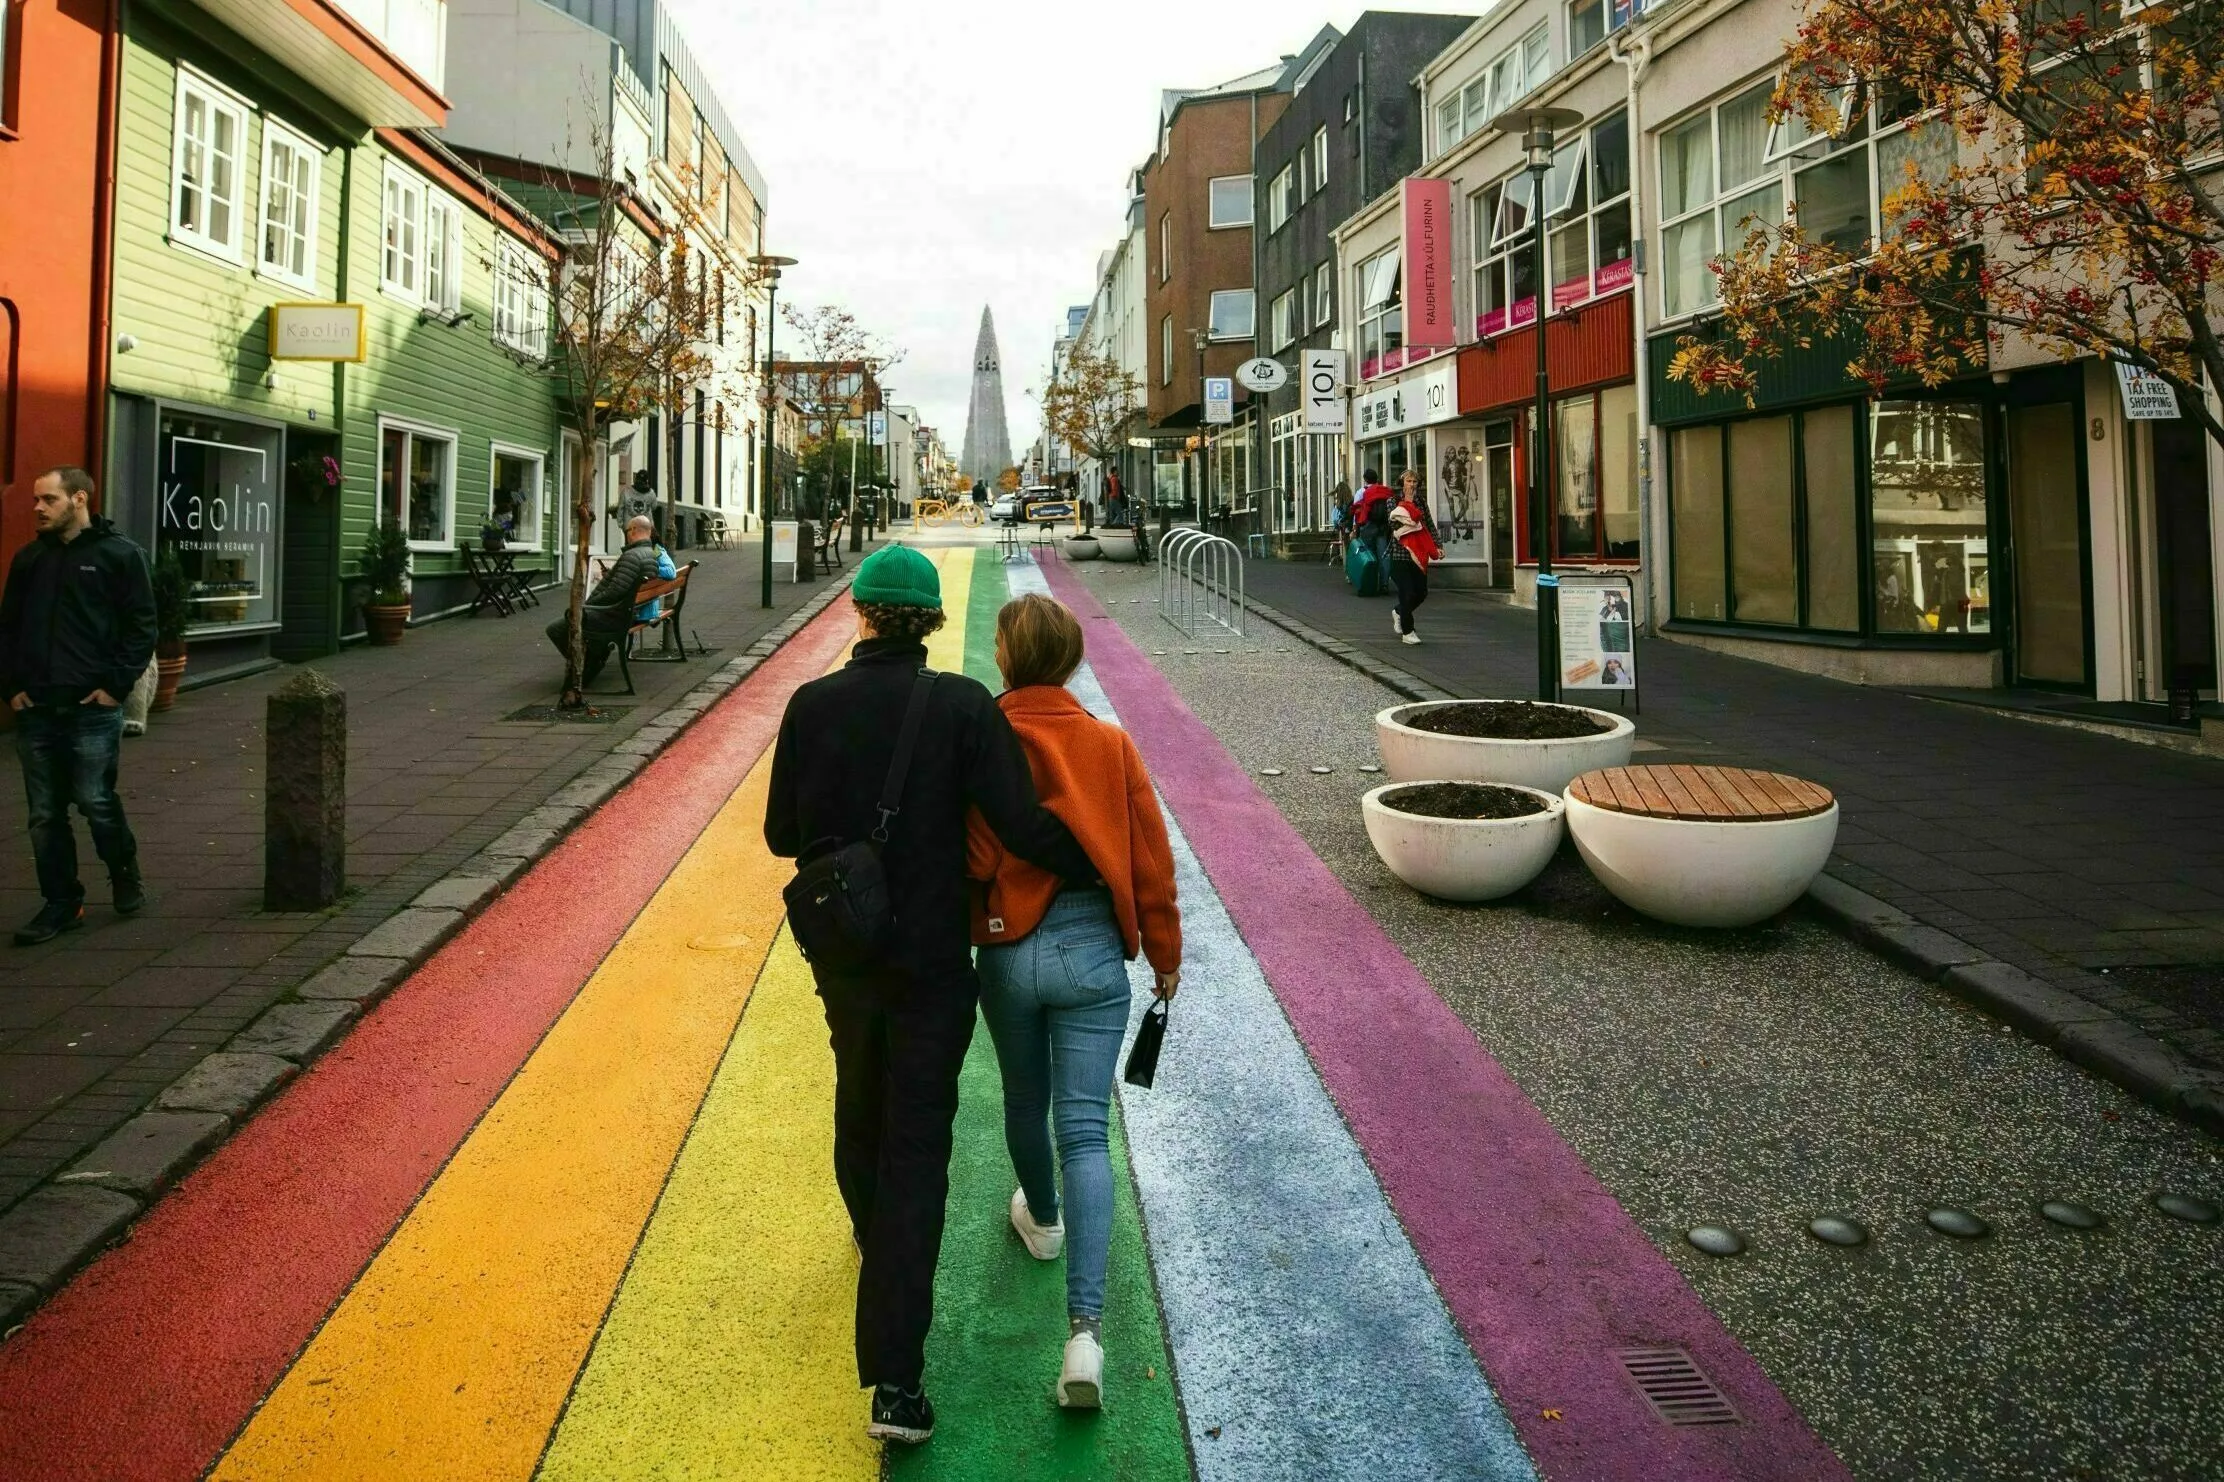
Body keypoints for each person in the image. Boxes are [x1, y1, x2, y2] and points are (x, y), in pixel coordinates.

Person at [764, 545, 1097, 1447]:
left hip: (846, 957)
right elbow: (1023, 825)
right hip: (933, 965)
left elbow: (780, 833)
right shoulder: (960, 708)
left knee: (857, 1106)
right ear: (933, 623)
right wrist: (1101, 862)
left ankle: (883, 1257)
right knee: (918, 1145)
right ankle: (896, 1386)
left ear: (862, 614)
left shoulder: (811, 705)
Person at [967, 594, 1182, 1411]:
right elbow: (1152, 862)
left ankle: (1043, 1222)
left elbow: (977, 850)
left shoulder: (989, 740)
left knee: (1026, 1099)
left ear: (1008, 657)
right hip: (1095, 951)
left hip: (1009, 947)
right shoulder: (1109, 743)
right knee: (1087, 1132)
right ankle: (1085, 1335)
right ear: (1070, 657)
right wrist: (1164, 956)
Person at [1, 467, 156, 946]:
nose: (38, 509)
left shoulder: (120, 556)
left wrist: (114, 687)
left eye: (48, 499)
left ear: (80, 499)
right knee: (45, 813)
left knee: (95, 801)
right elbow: (7, 629)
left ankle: (123, 871)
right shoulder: (29, 561)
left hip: (92, 706)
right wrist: (11, 687)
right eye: (36, 501)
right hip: (38, 708)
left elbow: (141, 627)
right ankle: (62, 903)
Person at [544, 515, 662, 689]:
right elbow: (624, 584)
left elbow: (615, 591)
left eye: (627, 530)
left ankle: (588, 664)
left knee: (556, 628)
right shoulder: (650, 554)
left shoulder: (632, 556)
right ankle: (594, 654)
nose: (627, 534)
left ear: (634, 531)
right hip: (630, 612)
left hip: (615, 616)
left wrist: (587, 606)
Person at [1387, 468, 1442, 644]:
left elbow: (1427, 524)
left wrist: (1437, 545)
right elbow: (1395, 525)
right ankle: (1408, 631)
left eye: (1415, 482)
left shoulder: (1421, 501)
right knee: (1407, 591)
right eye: (1409, 481)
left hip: (1418, 554)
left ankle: (1399, 612)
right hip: (1399, 554)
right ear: (1402, 483)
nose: (1412, 485)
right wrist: (1409, 509)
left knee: (1421, 592)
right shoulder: (1393, 501)